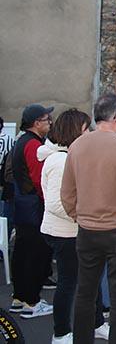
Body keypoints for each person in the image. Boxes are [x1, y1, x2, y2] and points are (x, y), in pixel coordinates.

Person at [59, 94, 116, 344]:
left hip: (87, 230)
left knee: (85, 293)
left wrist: (79, 216)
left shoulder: (77, 146)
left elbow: (66, 193)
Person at [40, 109, 108, 343]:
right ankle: (60, 334)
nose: (90, 133)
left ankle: (97, 323)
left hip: (78, 230)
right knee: (69, 283)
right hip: (66, 233)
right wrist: (87, 216)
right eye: (86, 129)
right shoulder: (61, 161)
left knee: (92, 279)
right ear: (75, 132)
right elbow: (56, 204)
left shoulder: (70, 157)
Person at [10, 104, 55, 318]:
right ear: (36, 123)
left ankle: (19, 298)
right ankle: (32, 302)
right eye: (47, 119)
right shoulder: (33, 145)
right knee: (35, 254)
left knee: (22, 253)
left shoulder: (21, 141)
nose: (50, 123)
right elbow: (39, 179)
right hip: (34, 206)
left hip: (22, 205)